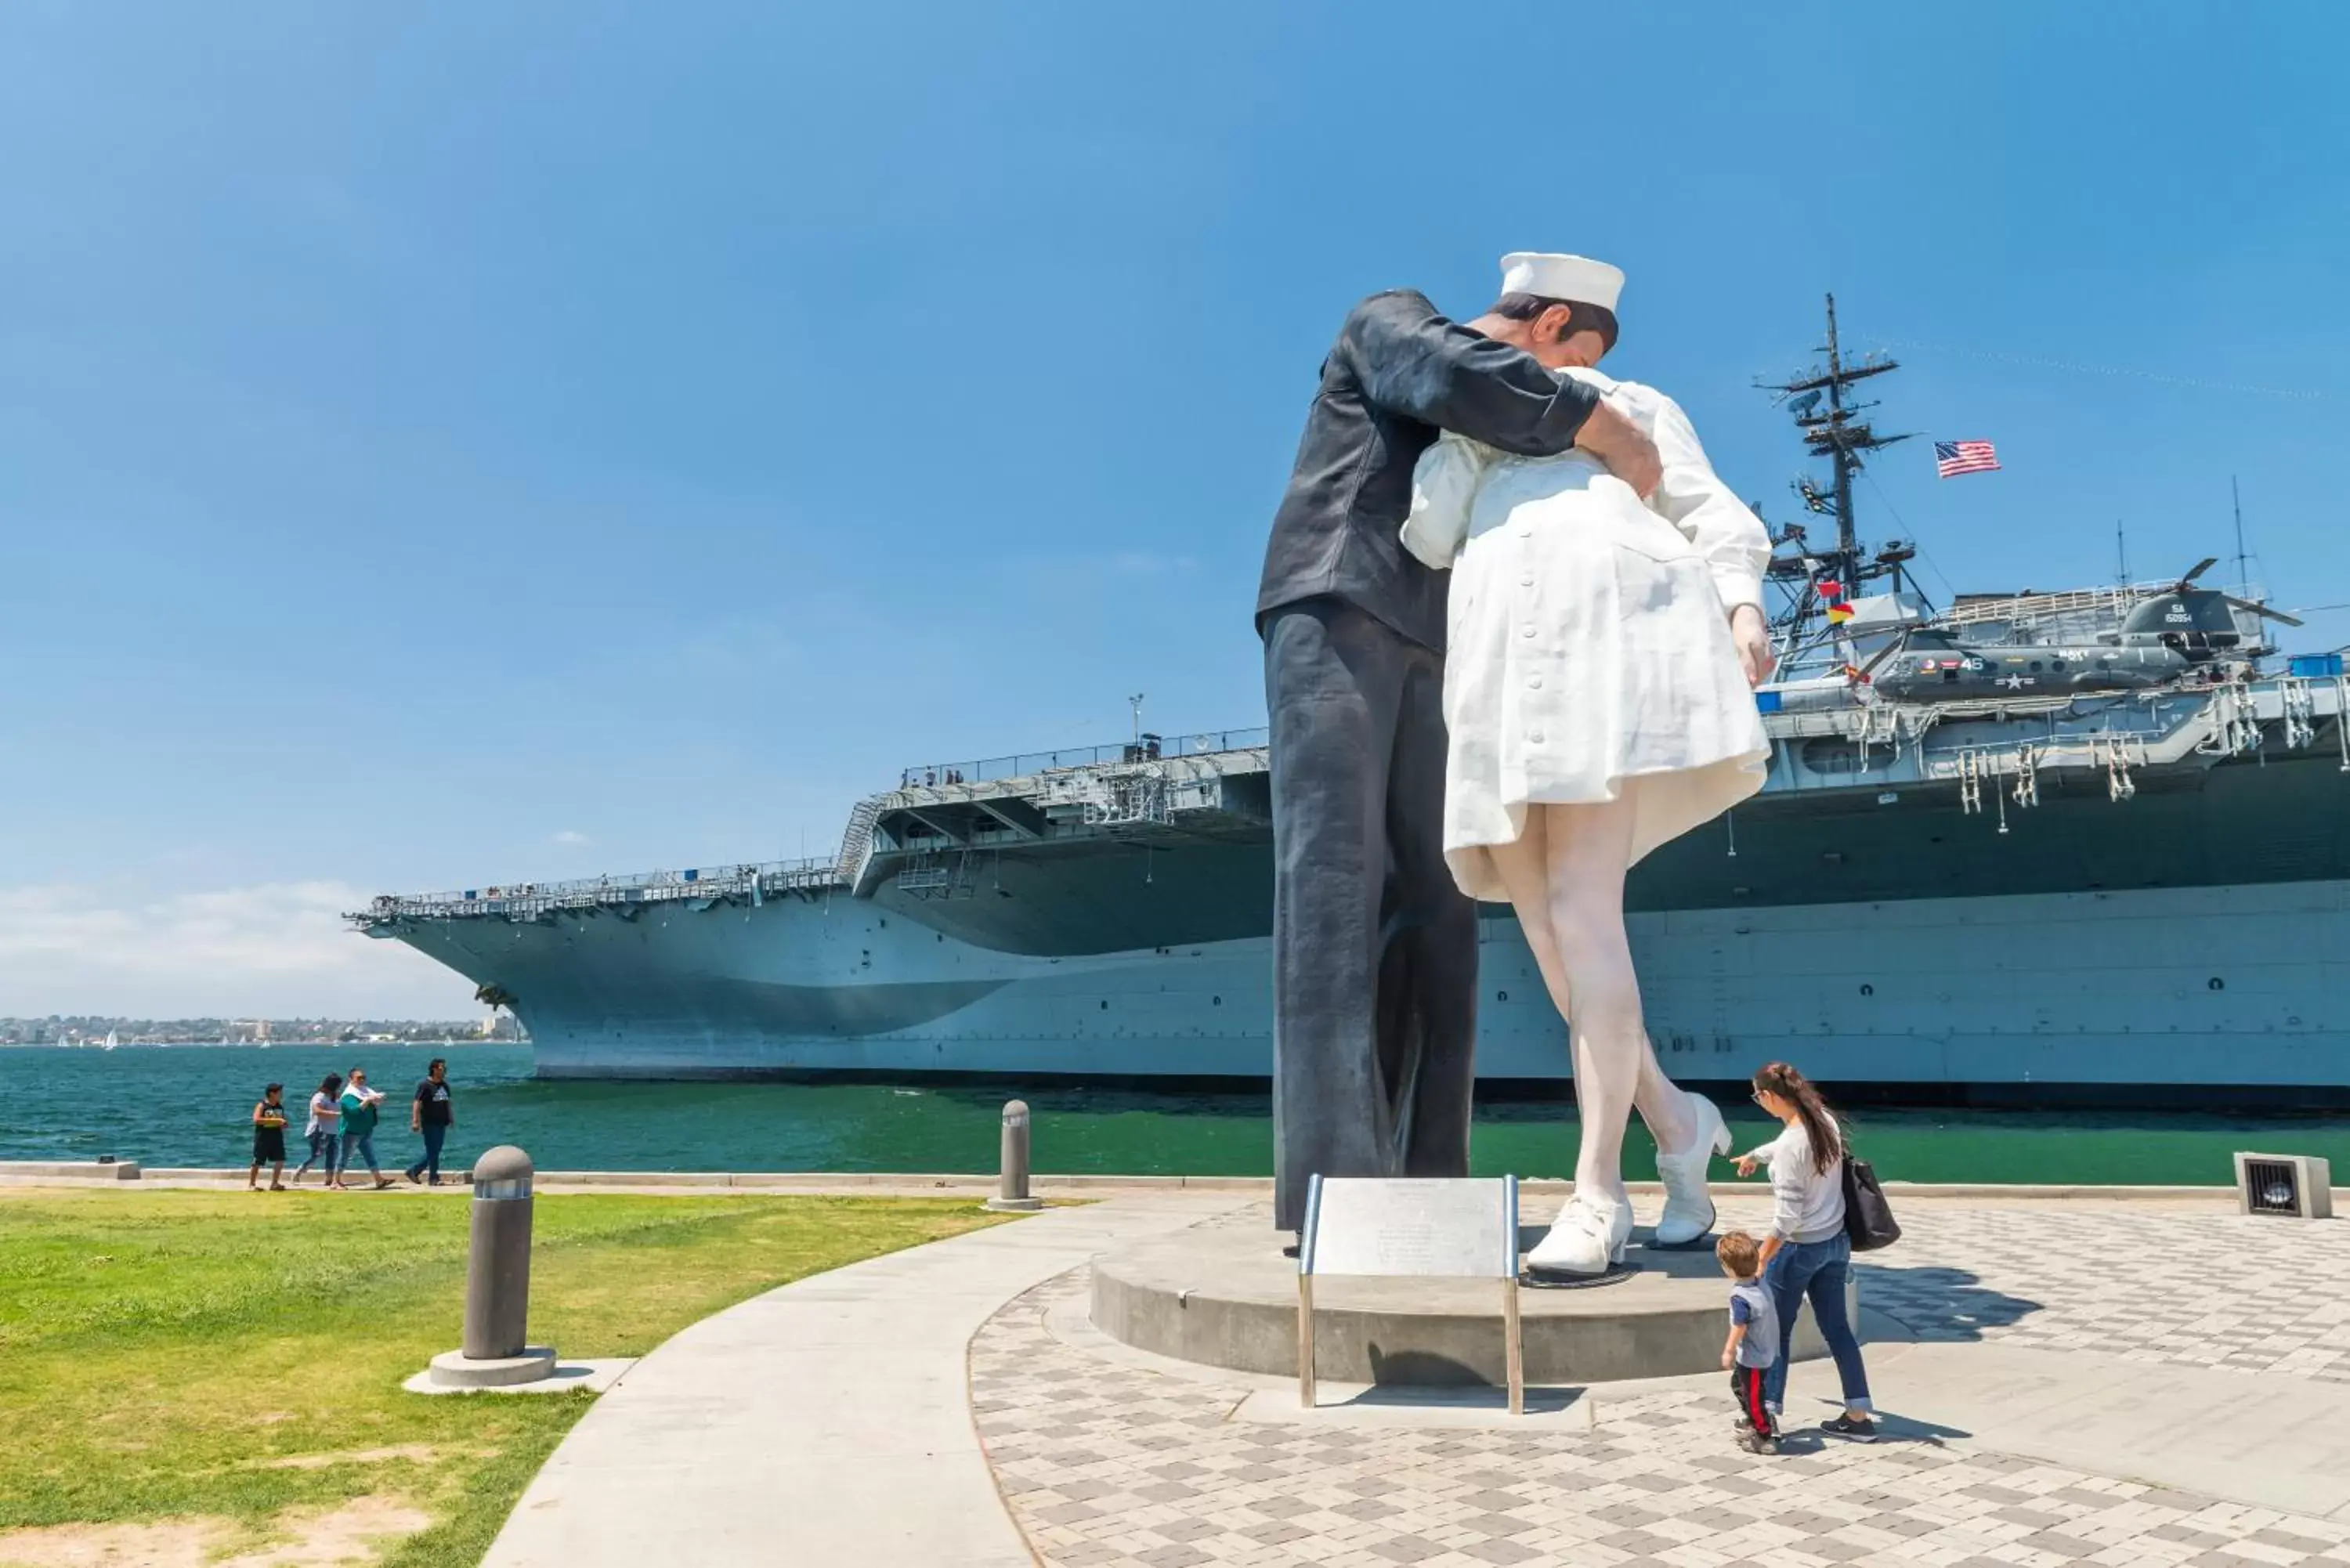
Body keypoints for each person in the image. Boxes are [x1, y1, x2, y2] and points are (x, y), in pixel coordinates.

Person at [1256, 258, 1663, 1232]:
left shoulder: (1506, 415)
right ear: (1548, 320)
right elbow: (1459, 374)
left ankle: (1432, 1172)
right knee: (1332, 895)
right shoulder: (1391, 319)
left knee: (1440, 906)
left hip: (1442, 639)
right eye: (1575, 358)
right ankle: (1336, 1193)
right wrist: (1608, 430)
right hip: (1336, 601)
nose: (1579, 382)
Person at [1401, 252, 1775, 1275]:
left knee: (1581, 914)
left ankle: (1597, 1189)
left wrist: (1742, 604)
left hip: (1606, 646)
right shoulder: (1478, 426)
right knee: (1558, 944)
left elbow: (1711, 511)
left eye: (1501, 319)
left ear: (1553, 321)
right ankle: (1684, 1128)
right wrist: (1457, 432)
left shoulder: (1634, 401)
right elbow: (1431, 535)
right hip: (1501, 669)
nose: (1477, 334)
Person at [1733, 1060, 1877, 1440]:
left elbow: (1787, 1218)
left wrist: (1762, 1257)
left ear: (1767, 1096)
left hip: (1798, 1251)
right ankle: (1859, 1416)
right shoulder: (1823, 1120)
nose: (1758, 1103)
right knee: (1838, 1329)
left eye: (1756, 1097)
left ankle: (1765, 1414)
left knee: (1775, 1332)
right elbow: (1788, 1145)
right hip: (1836, 1244)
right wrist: (1756, 1155)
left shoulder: (1790, 1148)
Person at [1717, 1230, 1780, 1454]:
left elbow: (1740, 1325)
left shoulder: (1740, 1297)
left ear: (1728, 1268)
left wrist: (1728, 1350)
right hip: (1767, 1350)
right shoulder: (1759, 1282)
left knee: (1752, 1396)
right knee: (1739, 1386)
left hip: (1754, 1358)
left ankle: (1763, 1435)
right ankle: (1755, 1424)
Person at [337, 1068, 394, 1190]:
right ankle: (335, 1182)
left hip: (366, 1130)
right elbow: (354, 1111)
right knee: (344, 1156)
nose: (362, 1080)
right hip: (351, 1131)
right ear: (351, 1079)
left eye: (363, 1077)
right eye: (358, 1078)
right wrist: (368, 1100)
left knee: (369, 1155)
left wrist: (378, 1098)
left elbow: (376, 1099)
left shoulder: (365, 1090)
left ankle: (379, 1180)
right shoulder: (348, 1095)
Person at [406, 1058, 454, 1185]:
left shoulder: (444, 1085)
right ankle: (433, 1177)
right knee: (433, 1150)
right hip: (429, 1122)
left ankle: (415, 1171)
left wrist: (451, 1117)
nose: (444, 1071)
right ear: (434, 1069)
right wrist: (415, 1121)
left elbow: (448, 1102)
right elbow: (417, 1102)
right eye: (441, 1068)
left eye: (444, 1069)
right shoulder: (425, 1085)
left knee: (435, 1150)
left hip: (441, 1122)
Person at [292, 1073, 343, 1185]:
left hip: (333, 1130)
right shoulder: (319, 1097)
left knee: (332, 1155)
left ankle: (329, 1179)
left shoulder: (335, 1097)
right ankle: (299, 1171)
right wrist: (337, 1113)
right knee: (316, 1154)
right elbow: (318, 1111)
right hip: (319, 1131)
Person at [248, 1083, 289, 1191]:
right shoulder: (262, 1105)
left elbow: (281, 1120)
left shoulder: (279, 1106)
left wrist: (283, 1124)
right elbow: (256, 1120)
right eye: (279, 1092)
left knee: (280, 1159)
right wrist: (277, 1121)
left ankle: (274, 1183)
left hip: (276, 1136)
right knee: (258, 1161)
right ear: (272, 1093)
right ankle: (252, 1184)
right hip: (263, 1137)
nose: (281, 1094)